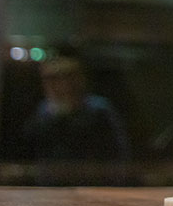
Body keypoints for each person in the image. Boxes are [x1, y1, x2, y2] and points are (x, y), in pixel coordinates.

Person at [23, 57, 130, 185]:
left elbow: (118, 152)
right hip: (50, 186)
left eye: (67, 77)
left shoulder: (99, 109)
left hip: (91, 185)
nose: (61, 85)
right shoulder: (43, 111)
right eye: (52, 79)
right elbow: (30, 146)